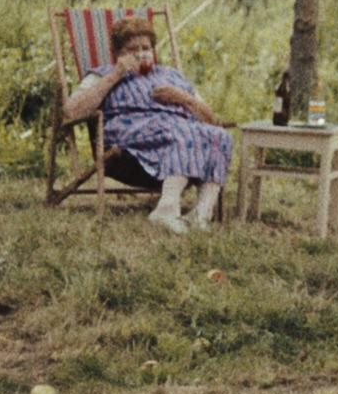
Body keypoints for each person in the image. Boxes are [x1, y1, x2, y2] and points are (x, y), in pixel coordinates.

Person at [63, 16, 233, 233]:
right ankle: (167, 209)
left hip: (177, 136)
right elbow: (72, 111)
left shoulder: (173, 76)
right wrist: (117, 74)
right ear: (119, 53)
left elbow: (210, 120)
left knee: (220, 136)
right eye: (132, 49)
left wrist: (184, 99)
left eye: (146, 47)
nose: (141, 53)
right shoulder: (102, 74)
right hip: (130, 143)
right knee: (182, 131)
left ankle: (200, 215)